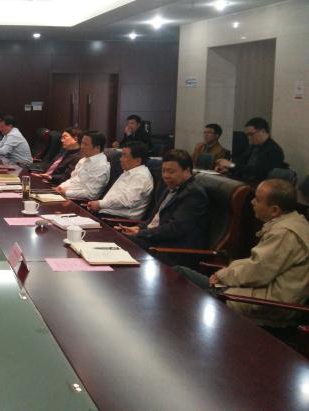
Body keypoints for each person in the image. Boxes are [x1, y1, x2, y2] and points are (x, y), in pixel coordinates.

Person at [176, 179, 309, 328]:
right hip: (252, 290)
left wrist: (222, 276)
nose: (252, 202)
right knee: (180, 273)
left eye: (257, 199)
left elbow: (257, 271)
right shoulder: (291, 223)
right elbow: (256, 264)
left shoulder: (284, 234)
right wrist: (225, 274)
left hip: (267, 302)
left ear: (274, 210)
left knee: (195, 299)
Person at [116, 149, 208, 261]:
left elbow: (174, 229)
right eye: (163, 171)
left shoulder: (194, 194)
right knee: (116, 237)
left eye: (171, 171)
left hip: (169, 249)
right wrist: (138, 227)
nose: (166, 176)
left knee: (117, 241)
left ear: (187, 171)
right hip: (154, 239)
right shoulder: (171, 187)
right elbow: (155, 219)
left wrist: (141, 233)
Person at [87, 141, 154, 219]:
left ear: (138, 160)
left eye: (124, 156)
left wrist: (100, 204)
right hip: (105, 214)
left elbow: (126, 200)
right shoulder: (129, 172)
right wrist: (98, 205)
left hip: (119, 220)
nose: (120, 159)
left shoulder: (141, 176)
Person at [215, 117, 285, 183]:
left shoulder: (274, 150)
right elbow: (241, 163)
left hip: (261, 186)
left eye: (251, 134)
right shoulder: (253, 147)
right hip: (246, 181)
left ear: (263, 131)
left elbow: (258, 171)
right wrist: (228, 169)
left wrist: (231, 165)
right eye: (247, 135)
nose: (249, 138)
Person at [54, 131, 110, 200]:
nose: (82, 147)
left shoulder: (101, 166)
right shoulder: (83, 160)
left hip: (78, 202)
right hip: (65, 194)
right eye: (82, 143)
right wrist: (61, 186)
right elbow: (73, 180)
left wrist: (66, 192)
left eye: (86, 144)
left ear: (97, 148)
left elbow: (91, 194)